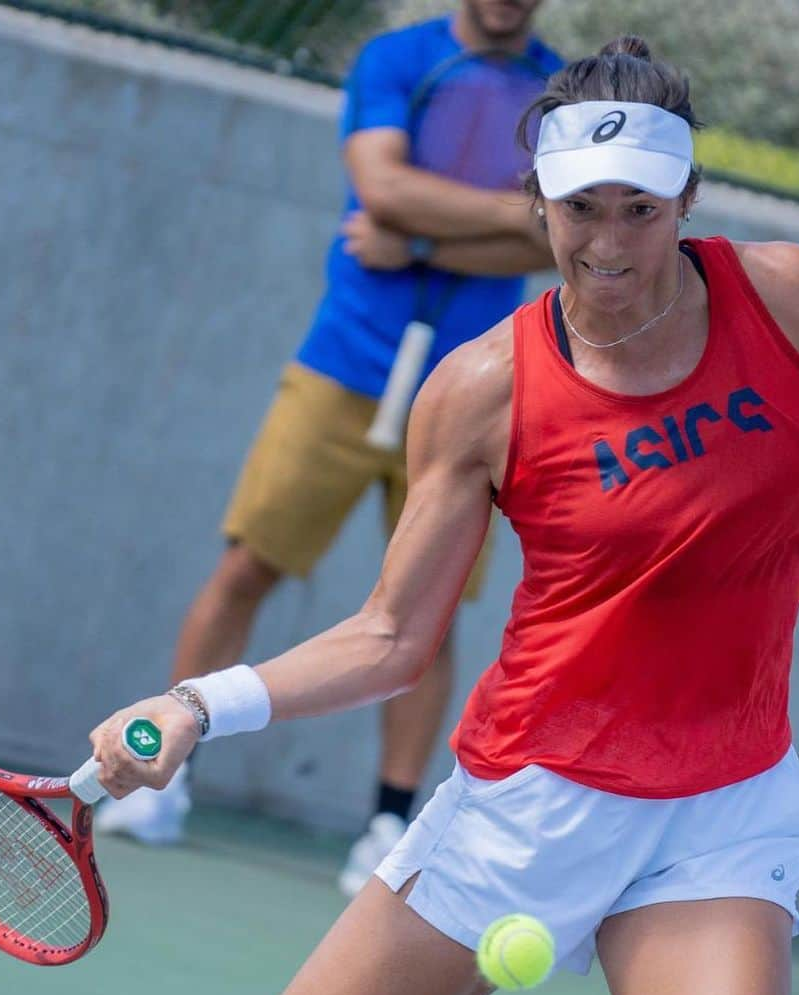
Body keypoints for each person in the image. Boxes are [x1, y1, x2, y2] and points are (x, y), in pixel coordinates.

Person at [91, 35, 799, 995]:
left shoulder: (788, 297)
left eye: (640, 209)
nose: (609, 242)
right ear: (537, 201)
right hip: (532, 806)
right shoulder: (485, 390)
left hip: (723, 807)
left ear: (687, 198)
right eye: (581, 208)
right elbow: (390, 636)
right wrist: (200, 706)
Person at [95, 0, 562, 898]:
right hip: (344, 364)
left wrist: (424, 238)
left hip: (473, 391)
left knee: (431, 613)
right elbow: (382, 188)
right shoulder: (396, 60)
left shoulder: (555, 95)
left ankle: (389, 822)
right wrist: (499, 217)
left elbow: (562, 230)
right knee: (245, 569)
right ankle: (165, 778)